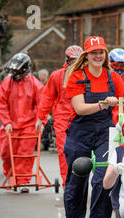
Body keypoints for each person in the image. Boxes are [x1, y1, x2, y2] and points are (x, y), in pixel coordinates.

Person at [63, 36, 124, 218]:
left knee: (104, 178)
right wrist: (103, 104)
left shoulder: (113, 77)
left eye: (101, 52)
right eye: (94, 52)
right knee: (77, 178)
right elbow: (80, 108)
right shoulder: (76, 76)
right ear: (86, 55)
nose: (98, 56)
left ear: (105, 54)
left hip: (104, 131)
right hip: (80, 131)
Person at [36, 45, 84, 188]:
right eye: (72, 61)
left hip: (83, 118)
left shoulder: (86, 75)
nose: (75, 64)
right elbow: (47, 98)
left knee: (83, 154)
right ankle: (67, 184)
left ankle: (80, 184)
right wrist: (41, 118)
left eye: (78, 61)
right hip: (63, 119)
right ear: (67, 60)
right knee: (65, 153)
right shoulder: (57, 76)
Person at [0, 53, 44, 192]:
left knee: (24, 155)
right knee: (6, 154)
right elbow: (1, 104)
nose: (15, 73)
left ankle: (22, 181)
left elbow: (43, 104)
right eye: (13, 70)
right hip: (10, 125)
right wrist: (6, 122)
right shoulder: (7, 83)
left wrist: (41, 122)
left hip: (29, 125)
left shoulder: (35, 84)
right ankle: (11, 176)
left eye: (17, 70)